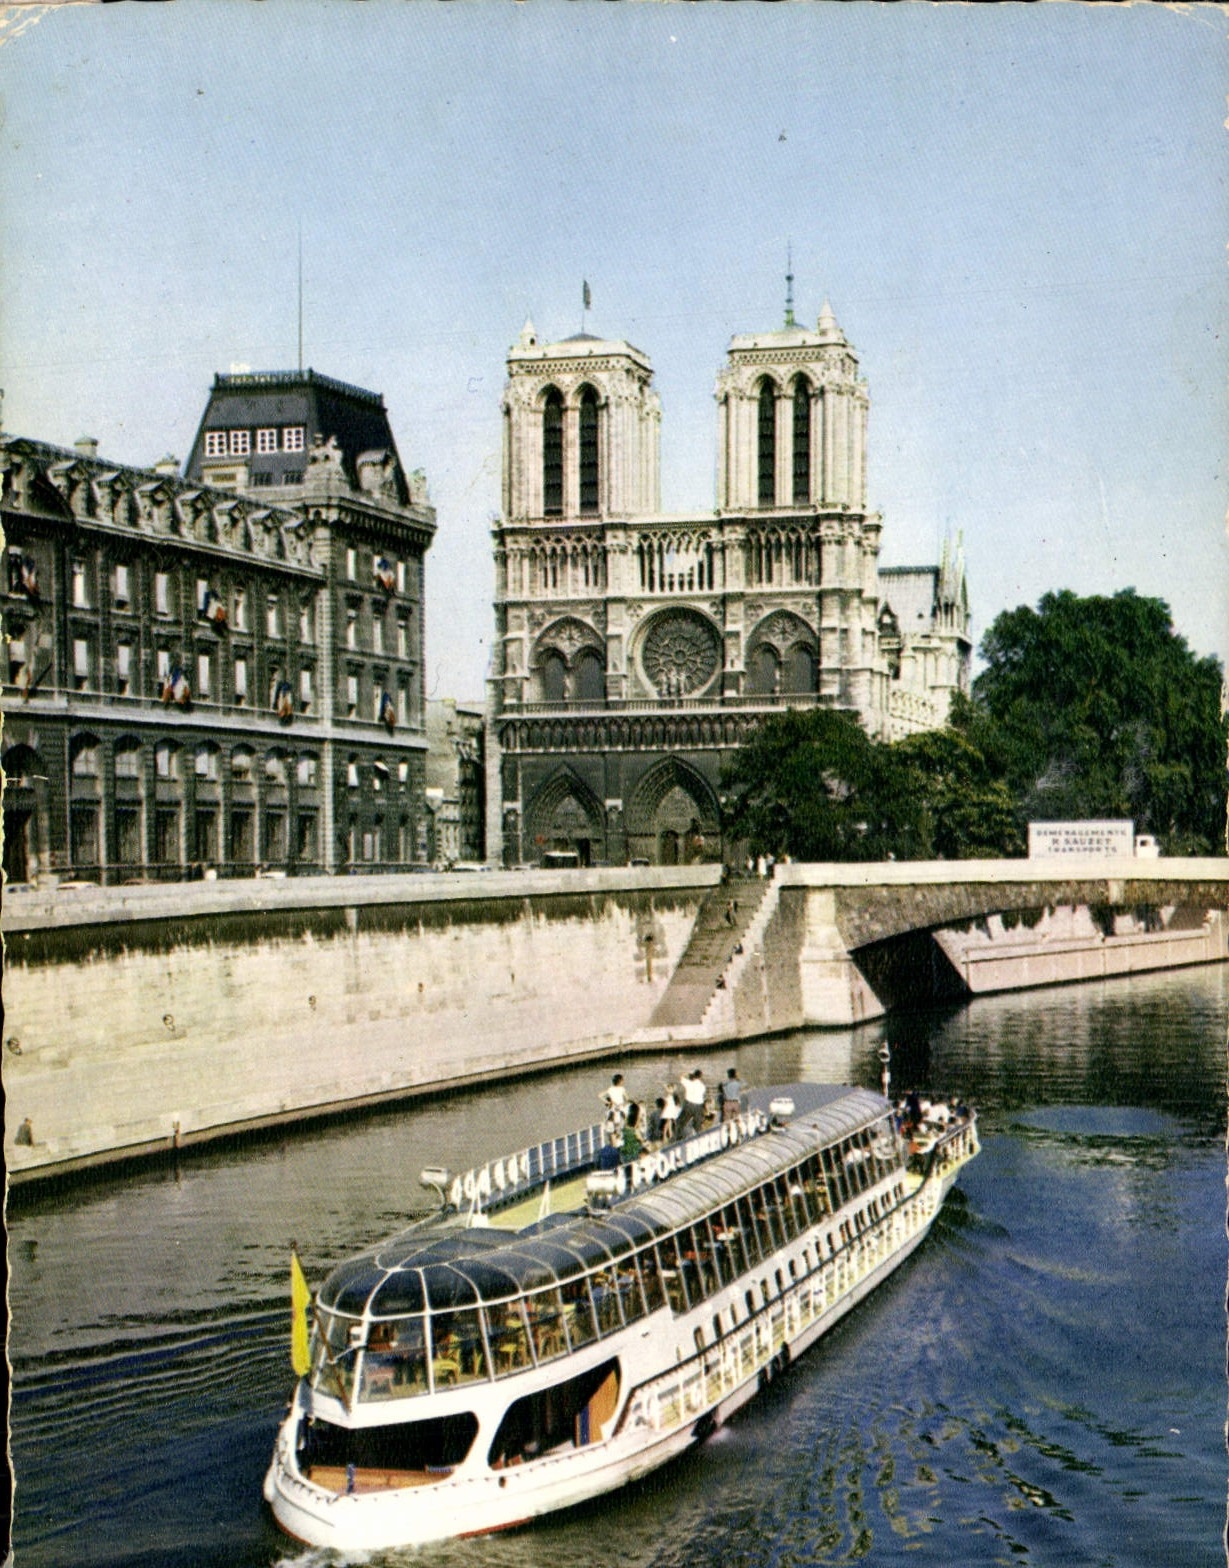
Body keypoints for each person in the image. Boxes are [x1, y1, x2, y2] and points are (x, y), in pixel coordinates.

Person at [679, 1070, 707, 1138]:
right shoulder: (702, 1086)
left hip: (689, 1105)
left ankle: (678, 1137)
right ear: (700, 1077)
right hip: (699, 1106)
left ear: (694, 1076)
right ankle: (700, 1138)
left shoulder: (689, 1083)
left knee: (681, 1122)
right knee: (697, 1125)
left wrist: (686, 1072)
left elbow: (680, 1077)